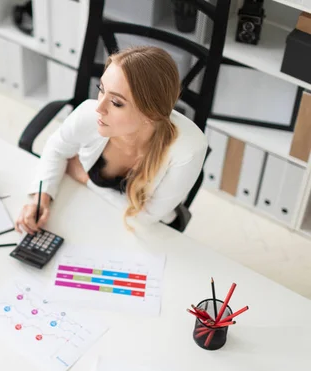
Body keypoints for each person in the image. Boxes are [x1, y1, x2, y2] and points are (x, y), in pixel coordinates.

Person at [14, 46, 208, 234]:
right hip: (91, 215)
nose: (99, 106)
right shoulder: (90, 115)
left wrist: (85, 178)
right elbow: (56, 149)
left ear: (151, 114)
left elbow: (148, 217)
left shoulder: (188, 150)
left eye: (116, 102)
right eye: (101, 89)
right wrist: (41, 199)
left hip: (145, 232)